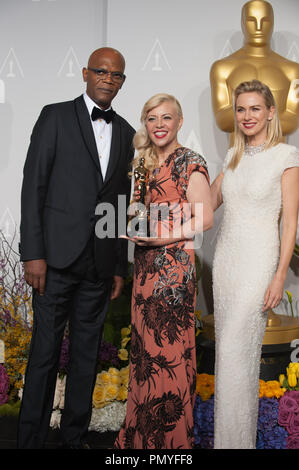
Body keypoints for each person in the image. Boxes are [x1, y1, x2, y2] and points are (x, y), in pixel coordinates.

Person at [18, 47, 135, 449]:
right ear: (86, 73)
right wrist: (33, 254)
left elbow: (120, 202)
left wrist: (119, 265)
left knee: (87, 357)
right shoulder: (55, 116)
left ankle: (73, 439)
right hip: (53, 260)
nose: (108, 79)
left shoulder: (126, 132)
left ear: (122, 81)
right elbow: (33, 186)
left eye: (116, 75)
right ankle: (30, 440)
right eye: (101, 72)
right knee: (45, 354)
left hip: (99, 265)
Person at [114, 93, 213, 449]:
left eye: (166, 118)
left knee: (169, 356)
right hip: (143, 271)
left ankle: (171, 445)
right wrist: (136, 228)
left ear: (180, 122)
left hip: (173, 272)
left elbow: (205, 218)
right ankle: (142, 443)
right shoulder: (142, 164)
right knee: (145, 356)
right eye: (152, 118)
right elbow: (138, 215)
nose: (159, 125)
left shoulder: (190, 161)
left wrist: (159, 239)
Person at [211, 79, 299, 449]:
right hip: (225, 265)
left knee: (234, 352)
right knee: (230, 360)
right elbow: (201, 208)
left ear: (270, 113)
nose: (247, 116)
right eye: (241, 109)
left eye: (255, 109)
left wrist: (280, 275)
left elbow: (291, 222)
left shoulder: (286, 157)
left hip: (259, 263)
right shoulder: (231, 158)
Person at [210, 0, 299, 144]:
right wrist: (265, 117)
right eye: (252, 20)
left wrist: (245, 117)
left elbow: (292, 122)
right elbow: (223, 120)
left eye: (265, 21)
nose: (259, 27)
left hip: (279, 160)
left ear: (273, 23)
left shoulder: (292, 70)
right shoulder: (222, 68)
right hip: (238, 160)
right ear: (242, 23)